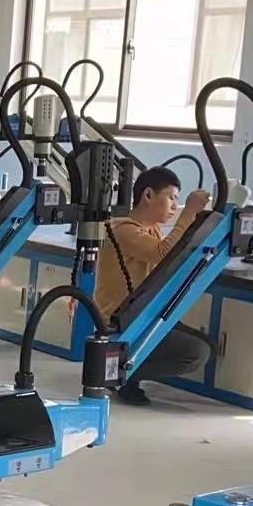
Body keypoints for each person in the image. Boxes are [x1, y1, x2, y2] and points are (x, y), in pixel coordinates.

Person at [92, 166, 216, 405]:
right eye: (171, 198)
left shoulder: (153, 230)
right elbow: (163, 253)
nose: (174, 206)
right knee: (197, 352)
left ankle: (125, 372)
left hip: (146, 313)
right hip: (124, 322)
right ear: (148, 195)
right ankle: (114, 372)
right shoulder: (120, 229)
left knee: (208, 345)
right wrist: (190, 211)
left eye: (177, 200)